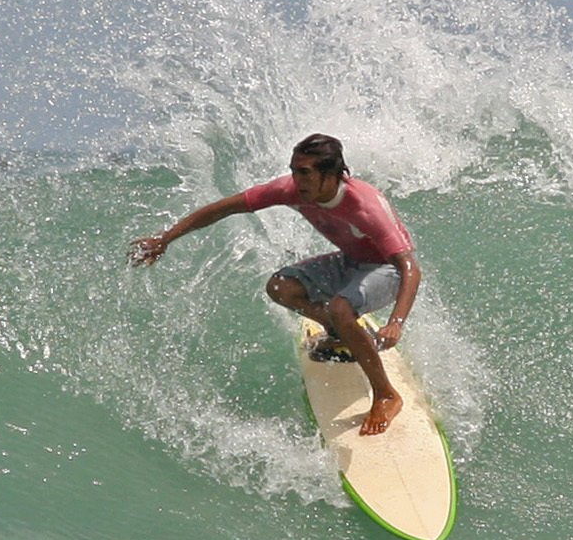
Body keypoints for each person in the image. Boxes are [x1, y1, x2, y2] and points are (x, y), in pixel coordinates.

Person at [130, 133, 422, 436]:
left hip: (388, 270)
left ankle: (386, 394)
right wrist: (165, 240)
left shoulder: (365, 205)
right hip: (350, 261)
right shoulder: (289, 190)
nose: (296, 180)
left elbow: (410, 268)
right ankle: (340, 333)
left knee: (341, 306)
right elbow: (224, 208)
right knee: (281, 287)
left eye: (305, 172)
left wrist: (396, 322)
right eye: (294, 170)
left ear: (331, 174)